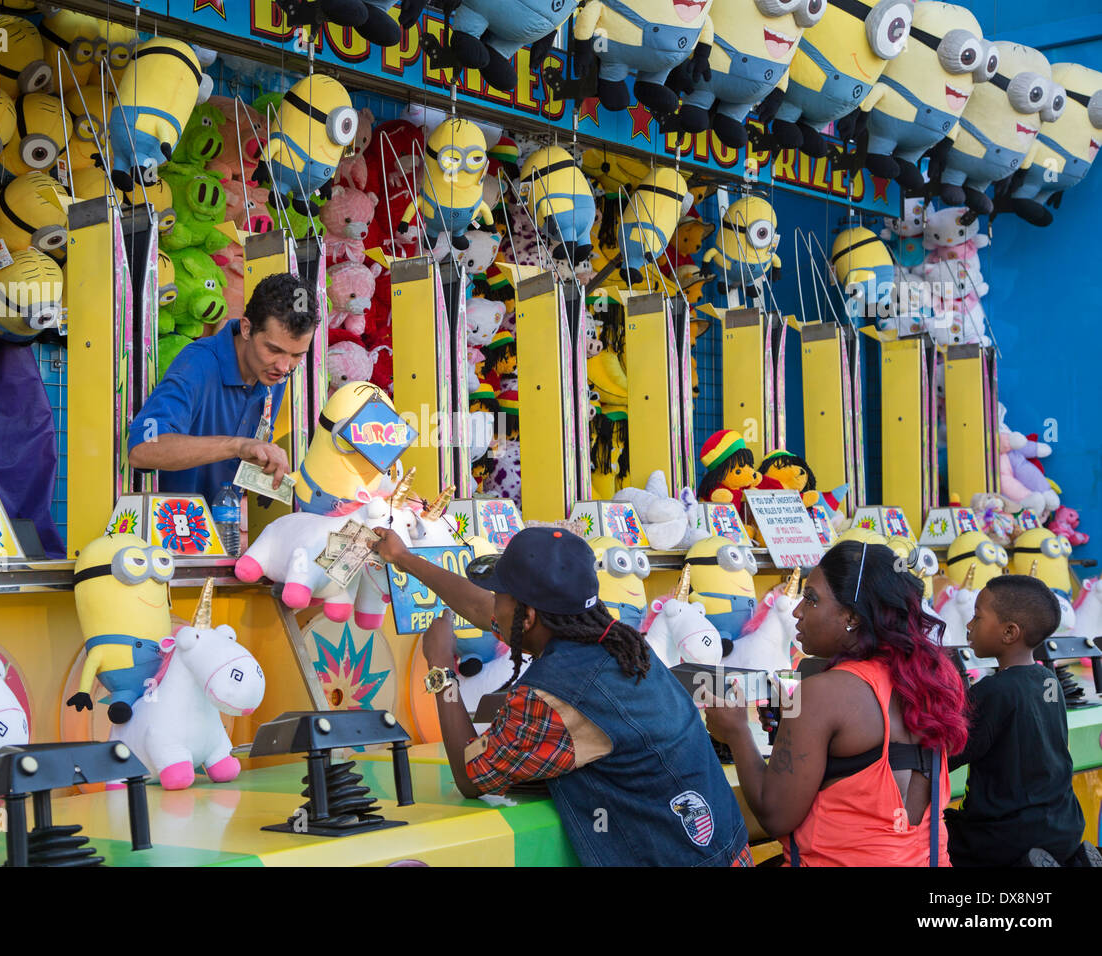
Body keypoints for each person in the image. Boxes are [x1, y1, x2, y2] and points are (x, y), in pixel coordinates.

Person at [373, 526, 752, 866]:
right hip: (725, 851)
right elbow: (481, 608)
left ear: (529, 618)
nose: (493, 606)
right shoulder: (620, 642)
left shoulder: (552, 695)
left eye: (500, 596)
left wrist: (440, 668)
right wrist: (404, 559)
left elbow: (474, 776)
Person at [704, 541, 969, 866]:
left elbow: (774, 816)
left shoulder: (823, 693)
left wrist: (736, 734)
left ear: (852, 617)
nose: (798, 610)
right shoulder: (935, 679)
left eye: (812, 599)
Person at [946, 575, 1099, 867]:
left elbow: (946, 753)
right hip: (1064, 824)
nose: (969, 625)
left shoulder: (992, 691)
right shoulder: (1048, 679)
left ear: (1009, 632)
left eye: (977, 617)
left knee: (939, 836)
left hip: (1004, 835)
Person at [127, 273, 317, 506]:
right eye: (273, 349)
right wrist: (238, 446)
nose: (284, 367)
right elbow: (143, 449)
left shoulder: (274, 372)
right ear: (247, 329)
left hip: (223, 527)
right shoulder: (197, 364)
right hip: (171, 530)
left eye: (297, 355)